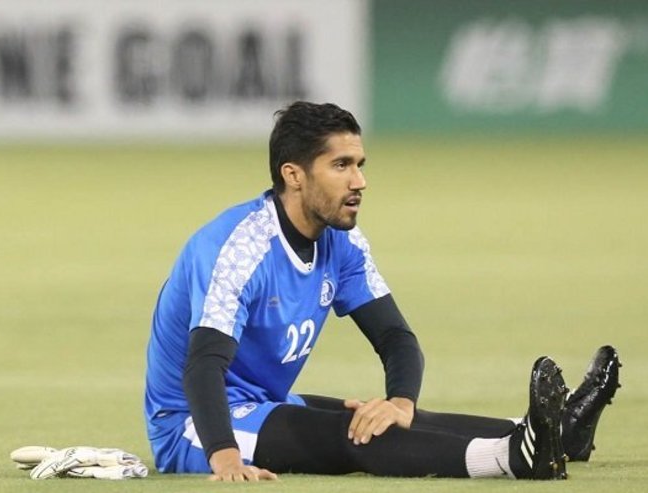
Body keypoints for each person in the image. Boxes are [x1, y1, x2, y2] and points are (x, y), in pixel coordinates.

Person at [144, 101, 621, 481]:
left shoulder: (342, 241)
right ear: (294, 175)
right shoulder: (237, 249)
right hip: (194, 425)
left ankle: (562, 435)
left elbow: (396, 338)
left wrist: (400, 404)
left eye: (360, 164)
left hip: (265, 403)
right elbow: (203, 365)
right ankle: (512, 459)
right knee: (353, 435)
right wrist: (225, 456)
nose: (360, 181)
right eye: (341, 166)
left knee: (387, 418)